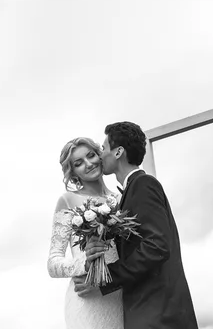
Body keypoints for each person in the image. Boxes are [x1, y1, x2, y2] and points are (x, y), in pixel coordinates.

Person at [73, 121, 198, 329]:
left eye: (104, 148)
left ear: (118, 152)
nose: (101, 155)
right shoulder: (129, 194)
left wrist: (104, 279)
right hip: (145, 312)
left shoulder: (144, 185)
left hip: (159, 314)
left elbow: (156, 246)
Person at [47, 137, 123, 328]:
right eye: (79, 163)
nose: (88, 164)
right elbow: (53, 263)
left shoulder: (121, 198)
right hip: (86, 298)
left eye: (91, 155)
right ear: (73, 172)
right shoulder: (68, 200)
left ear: (100, 155)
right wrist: (85, 264)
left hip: (120, 295)